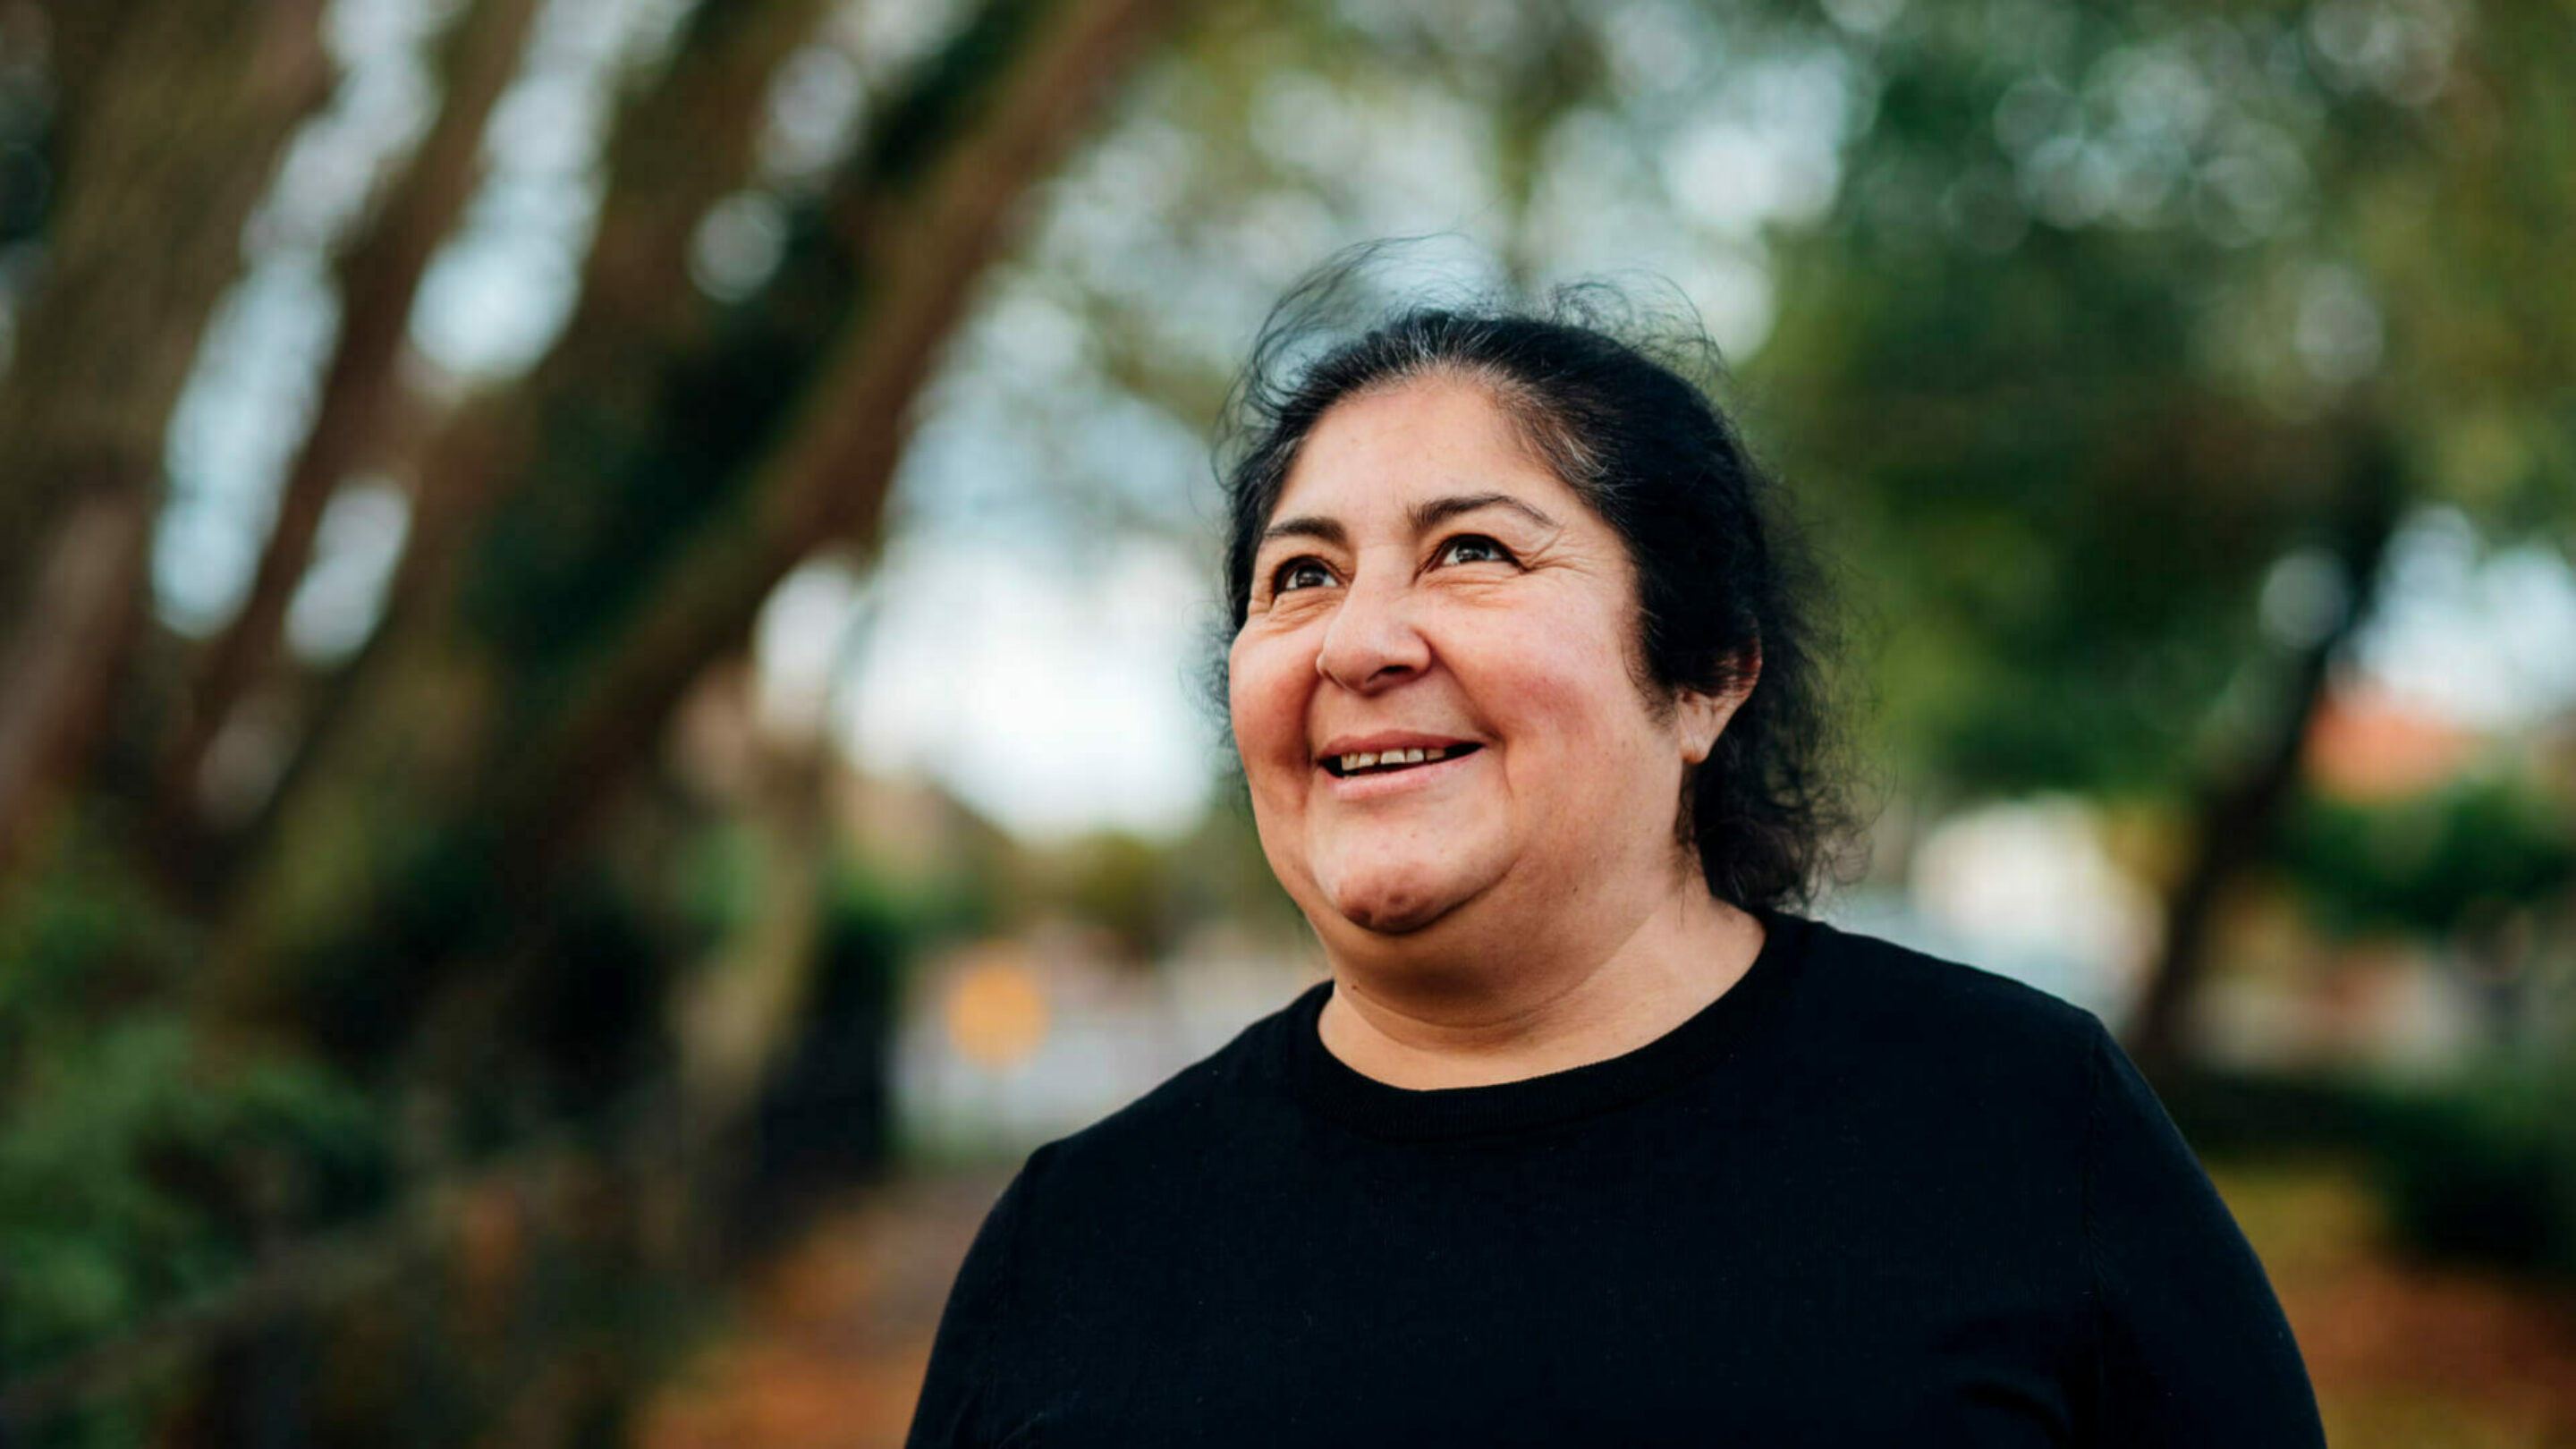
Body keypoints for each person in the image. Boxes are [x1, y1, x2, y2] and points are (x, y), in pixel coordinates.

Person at [903, 270, 2326, 1446]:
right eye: (1302, 577)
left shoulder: (2019, 1128)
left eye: (1470, 552)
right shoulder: (1077, 1241)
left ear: (1706, 672)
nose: (1360, 640)